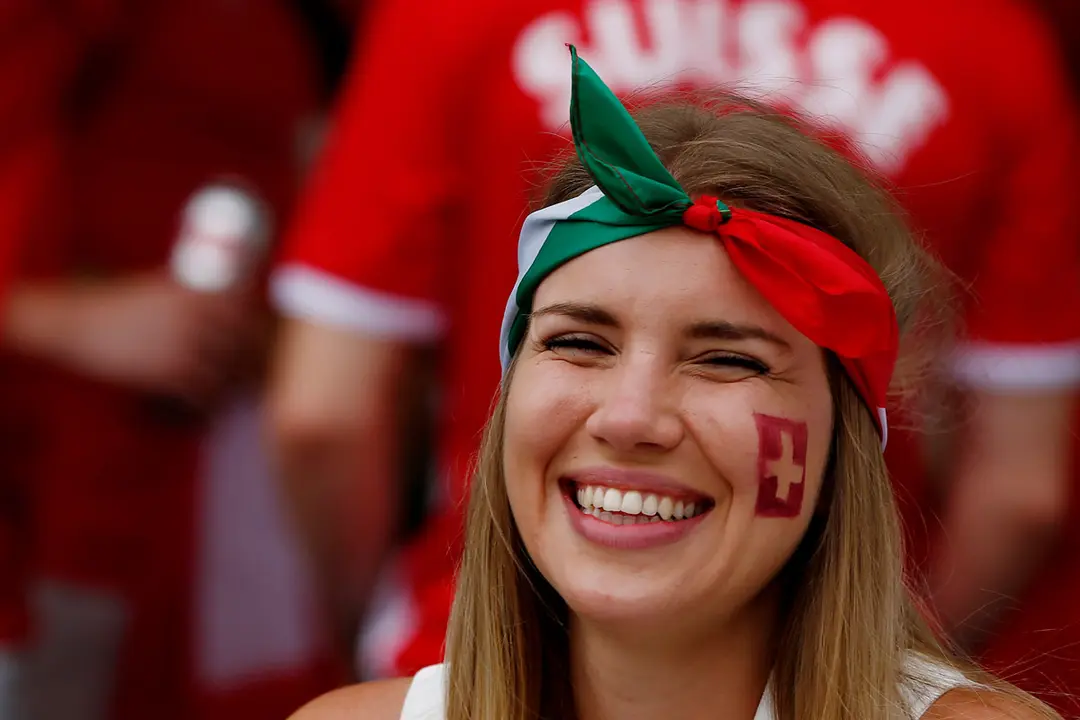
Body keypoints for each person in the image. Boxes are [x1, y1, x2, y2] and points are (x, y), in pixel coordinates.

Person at [269, 0, 1080, 695]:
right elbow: (1017, 488)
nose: (632, 416)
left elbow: (323, 413)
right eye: (582, 342)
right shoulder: (990, 41)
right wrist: (884, 670)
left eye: (728, 358)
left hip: (448, 643)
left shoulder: (451, 17)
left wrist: (370, 630)